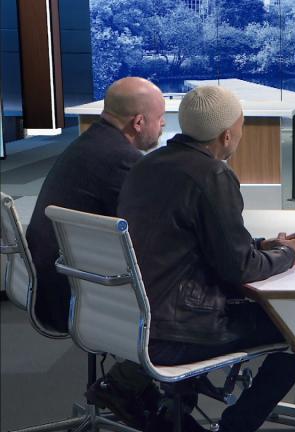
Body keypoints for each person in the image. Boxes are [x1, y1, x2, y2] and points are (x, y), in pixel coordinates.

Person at [117, 85, 295, 432]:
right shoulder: (213, 175)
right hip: (181, 328)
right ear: (227, 135)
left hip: (139, 318)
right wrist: (287, 254)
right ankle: (236, 426)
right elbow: (239, 268)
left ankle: (171, 409)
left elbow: (191, 239)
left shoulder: (149, 165)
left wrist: (262, 243)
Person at [24, 77, 166, 427]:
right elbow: (155, 235)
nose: (163, 125)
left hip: (49, 281)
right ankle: (130, 387)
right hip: (73, 293)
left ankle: (133, 389)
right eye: (160, 118)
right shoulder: (122, 160)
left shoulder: (89, 144)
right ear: (138, 122)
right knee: (179, 294)